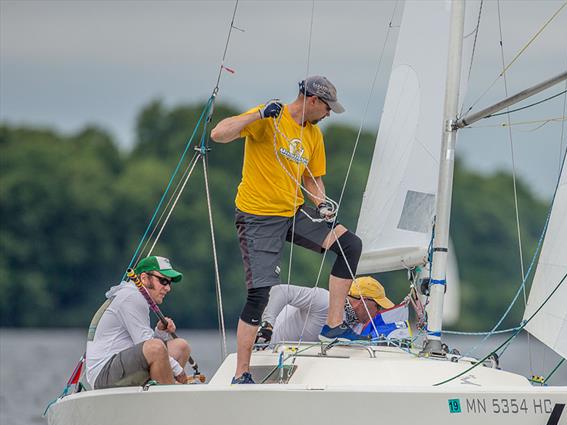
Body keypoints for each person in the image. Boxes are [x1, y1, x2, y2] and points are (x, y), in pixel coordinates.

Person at [210, 75, 365, 384]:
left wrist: (321, 204)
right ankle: (242, 373)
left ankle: (333, 325)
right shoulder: (271, 118)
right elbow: (218, 134)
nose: (329, 114)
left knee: (350, 245)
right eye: (328, 108)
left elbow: (312, 179)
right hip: (258, 217)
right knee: (259, 295)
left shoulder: (314, 136)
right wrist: (257, 114)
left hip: (292, 212)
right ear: (313, 101)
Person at [85, 256, 191, 389]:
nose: (168, 288)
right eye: (163, 281)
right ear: (144, 278)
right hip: (103, 375)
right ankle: (169, 395)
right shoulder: (132, 296)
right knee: (156, 348)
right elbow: (148, 345)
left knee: (181, 346)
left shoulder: (134, 295)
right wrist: (178, 371)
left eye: (169, 283)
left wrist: (160, 332)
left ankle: (165, 388)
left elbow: (144, 347)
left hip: (121, 366)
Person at [257, 277, 404, 345]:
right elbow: (280, 291)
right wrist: (268, 325)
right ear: (363, 301)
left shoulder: (357, 326)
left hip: (298, 365)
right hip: (267, 353)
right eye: (377, 306)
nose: (378, 312)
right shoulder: (325, 300)